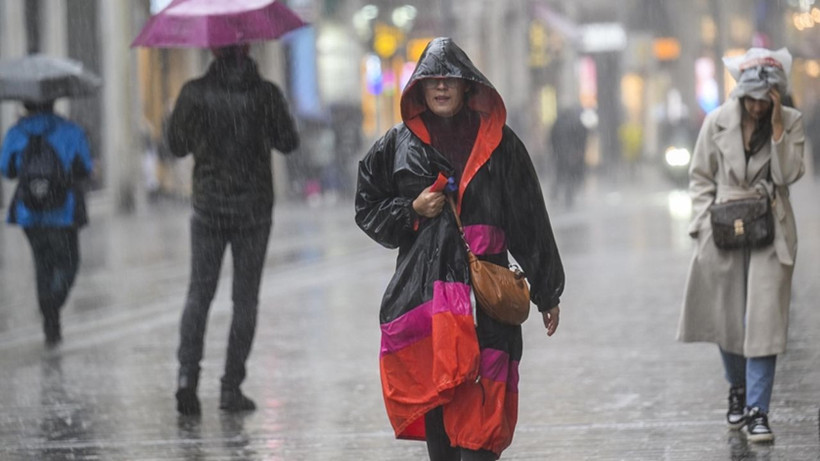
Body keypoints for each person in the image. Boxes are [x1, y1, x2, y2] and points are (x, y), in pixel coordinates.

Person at [355, 37, 564, 460]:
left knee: (484, 414)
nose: (442, 88)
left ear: (469, 85)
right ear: (419, 88)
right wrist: (411, 209)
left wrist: (547, 290)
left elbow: (529, 219)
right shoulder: (397, 146)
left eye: (450, 79)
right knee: (442, 409)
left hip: (488, 298)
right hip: (427, 298)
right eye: (432, 80)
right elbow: (367, 205)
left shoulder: (501, 144)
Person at [678, 47, 805, 443]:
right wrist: (701, 225)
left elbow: (789, 175)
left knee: (764, 320)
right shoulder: (716, 122)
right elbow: (700, 177)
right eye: (749, 97)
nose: (754, 107)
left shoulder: (790, 123)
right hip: (722, 229)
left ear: (774, 96)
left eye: (762, 99)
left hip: (771, 226)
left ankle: (757, 409)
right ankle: (737, 388)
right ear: (739, 94)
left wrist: (780, 129)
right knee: (727, 319)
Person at [167, 44, 299, 415]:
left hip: (208, 207)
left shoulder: (194, 93)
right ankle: (230, 387)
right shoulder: (265, 93)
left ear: (211, 48)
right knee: (245, 300)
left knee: (199, 294)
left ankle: (186, 379)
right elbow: (289, 142)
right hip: (253, 210)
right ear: (249, 47)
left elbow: (175, 146)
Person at [0, 99, 94, 346]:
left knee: (42, 265)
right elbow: (85, 167)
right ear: (53, 101)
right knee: (69, 264)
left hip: (29, 214)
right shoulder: (70, 130)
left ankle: (50, 323)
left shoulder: (16, 132)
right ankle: (53, 305)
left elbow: (6, 169)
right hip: (64, 213)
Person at [548, 105, 588, 207]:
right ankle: (567, 195)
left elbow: (552, 138)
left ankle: (556, 194)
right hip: (569, 153)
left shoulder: (558, 123)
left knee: (560, 174)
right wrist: (578, 150)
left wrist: (554, 150)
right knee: (569, 175)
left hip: (560, 153)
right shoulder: (575, 123)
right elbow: (582, 137)